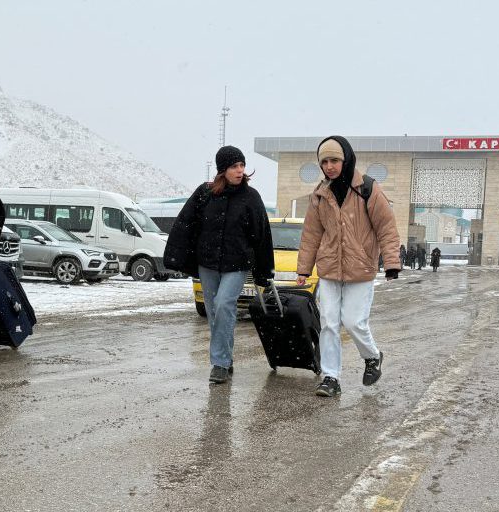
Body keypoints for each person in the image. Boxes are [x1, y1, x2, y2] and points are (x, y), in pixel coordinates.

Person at [295, 136, 400, 397]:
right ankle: (331, 377)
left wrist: (391, 263)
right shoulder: (320, 194)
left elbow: (386, 228)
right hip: (329, 268)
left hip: (360, 268)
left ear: (346, 160)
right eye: (325, 162)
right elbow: (311, 234)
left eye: (335, 160)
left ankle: (372, 356)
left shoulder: (367, 188)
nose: (330, 166)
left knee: (353, 322)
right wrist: (303, 269)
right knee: (329, 323)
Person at [164, 146, 274, 384]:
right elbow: (186, 223)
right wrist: (177, 255)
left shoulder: (251, 197)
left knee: (224, 305)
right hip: (208, 263)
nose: (240, 171)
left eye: (242, 166)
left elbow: (262, 234)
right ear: (223, 170)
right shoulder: (205, 193)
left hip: (237, 263)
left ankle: (220, 364)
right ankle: (225, 357)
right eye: (235, 166)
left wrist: (265, 271)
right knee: (214, 311)